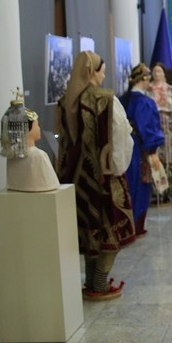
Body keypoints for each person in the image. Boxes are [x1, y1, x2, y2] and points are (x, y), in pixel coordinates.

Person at [55, 50, 136, 300]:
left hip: (75, 177)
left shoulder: (63, 100)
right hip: (103, 176)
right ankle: (99, 283)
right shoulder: (104, 99)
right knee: (108, 228)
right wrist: (118, 168)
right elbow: (121, 135)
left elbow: (63, 141)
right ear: (91, 72)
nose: (104, 74)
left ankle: (90, 280)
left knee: (87, 229)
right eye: (101, 69)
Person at [121, 64, 165, 236]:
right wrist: (152, 150)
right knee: (140, 184)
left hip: (123, 145)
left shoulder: (122, 99)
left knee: (126, 183)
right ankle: (136, 226)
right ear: (145, 80)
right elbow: (149, 129)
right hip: (139, 149)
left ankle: (124, 225)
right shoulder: (145, 103)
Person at [148, 63, 172, 201]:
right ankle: (157, 190)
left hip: (170, 126)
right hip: (153, 125)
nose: (157, 74)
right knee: (156, 157)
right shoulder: (147, 89)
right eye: (154, 72)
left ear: (164, 74)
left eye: (159, 72)